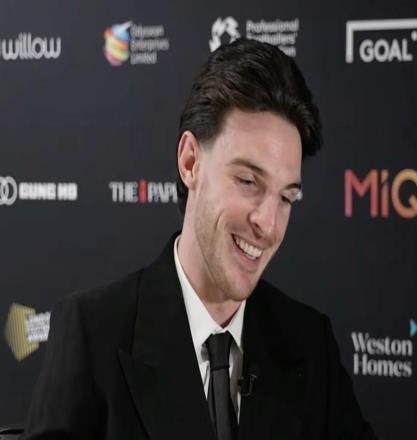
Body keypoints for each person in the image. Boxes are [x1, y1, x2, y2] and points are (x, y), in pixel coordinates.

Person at [22, 39, 377, 440]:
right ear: (190, 162)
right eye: (248, 181)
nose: (268, 224)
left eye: (285, 198)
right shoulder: (93, 334)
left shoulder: (311, 347)